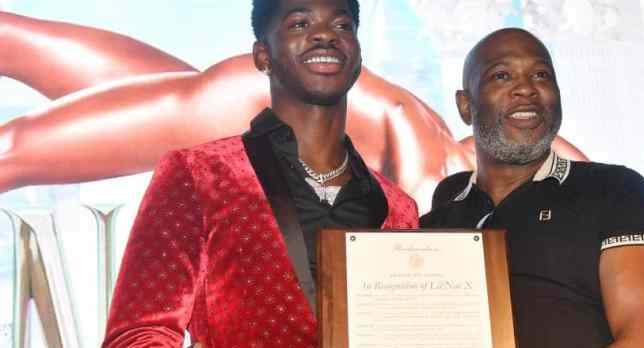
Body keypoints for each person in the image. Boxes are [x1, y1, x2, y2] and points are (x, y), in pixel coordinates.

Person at [100, 1, 418, 348]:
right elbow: (134, 347)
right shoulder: (199, 175)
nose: (325, 34)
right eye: (300, 23)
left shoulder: (400, 208)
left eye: (342, 24)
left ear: (357, 56)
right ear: (262, 55)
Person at [0, 11, 587, 210]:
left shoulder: (456, 159)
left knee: (154, 89)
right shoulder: (440, 171)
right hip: (252, 104)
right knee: (15, 153)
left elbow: (580, 179)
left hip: (246, 101)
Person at [420, 28, 644, 348]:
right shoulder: (434, 225)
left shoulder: (614, 190)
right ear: (466, 106)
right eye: (502, 76)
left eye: (541, 75)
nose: (526, 88)